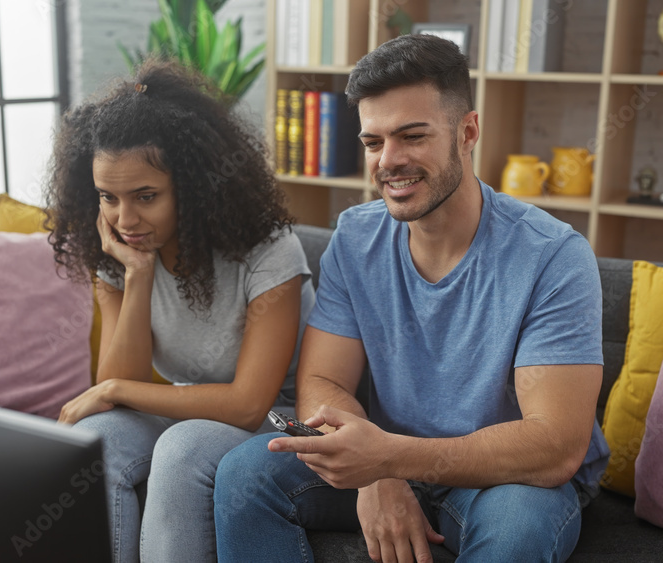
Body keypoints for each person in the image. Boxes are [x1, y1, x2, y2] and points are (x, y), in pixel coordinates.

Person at [213, 34, 609, 563]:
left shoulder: (553, 255)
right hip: (389, 452)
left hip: (503, 478)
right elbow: (322, 382)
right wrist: (378, 473)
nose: (389, 161)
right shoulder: (354, 238)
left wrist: (386, 459)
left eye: (412, 136)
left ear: (467, 132)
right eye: (374, 142)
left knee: (517, 531)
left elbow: (554, 445)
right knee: (245, 477)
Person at [44, 59, 314, 563]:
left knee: (183, 447)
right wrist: (138, 274)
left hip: (285, 416)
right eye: (108, 197)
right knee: (97, 436)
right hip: (194, 405)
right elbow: (117, 391)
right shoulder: (118, 251)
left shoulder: (267, 249)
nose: (125, 219)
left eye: (146, 196)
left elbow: (248, 405)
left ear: (193, 188)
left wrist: (115, 388)